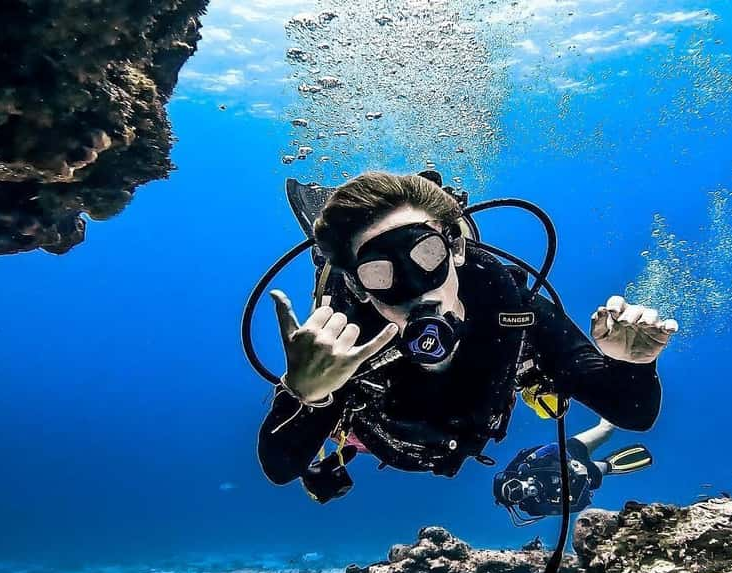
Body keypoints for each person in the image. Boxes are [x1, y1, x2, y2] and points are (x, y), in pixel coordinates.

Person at [255, 171, 678, 503]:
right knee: (346, 444)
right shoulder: (345, 339)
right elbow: (279, 467)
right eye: (381, 274)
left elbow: (633, 413)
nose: (417, 288)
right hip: (374, 439)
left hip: (454, 436)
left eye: (427, 256)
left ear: (455, 247)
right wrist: (306, 395)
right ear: (360, 287)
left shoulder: (513, 309)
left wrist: (633, 362)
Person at [493, 418, 653, 523]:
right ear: (517, 501)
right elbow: (576, 506)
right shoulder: (536, 507)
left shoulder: (527, 466)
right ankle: (608, 465)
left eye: (514, 485)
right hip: (580, 479)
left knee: (606, 430)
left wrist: (570, 461)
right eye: (515, 495)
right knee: (606, 467)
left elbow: (553, 447)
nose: (522, 490)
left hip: (570, 451)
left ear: (515, 477)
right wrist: (582, 477)